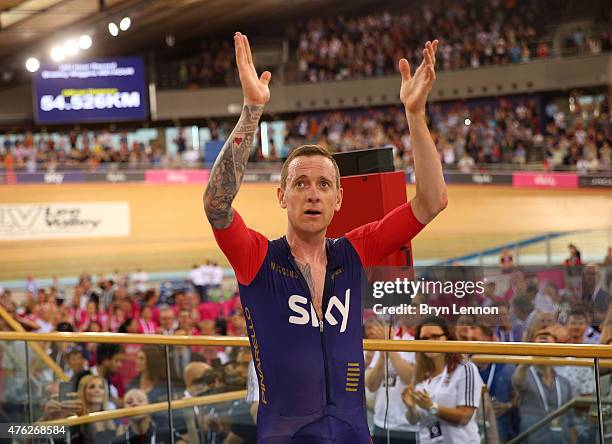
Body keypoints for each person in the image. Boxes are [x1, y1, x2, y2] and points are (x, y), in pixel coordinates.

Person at [204, 32, 446, 443]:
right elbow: (216, 203)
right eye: (300, 184)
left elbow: (432, 201)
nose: (312, 192)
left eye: (322, 184)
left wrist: (416, 115)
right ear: (282, 197)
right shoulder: (257, 258)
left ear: (338, 198)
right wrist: (252, 111)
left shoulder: (355, 250)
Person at [401, 316, 483, 444]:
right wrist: (411, 408)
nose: (430, 342)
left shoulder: (465, 368)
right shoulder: (421, 372)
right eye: (424, 339)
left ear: (448, 337)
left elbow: (465, 416)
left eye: (435, 336)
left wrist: (431, 407)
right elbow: (414, 420)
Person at [512, 328, 576, 444]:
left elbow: (570, 421)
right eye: (540, 337)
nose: (544, 338)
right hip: (533, 440)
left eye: (548, 337)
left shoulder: (564, 382)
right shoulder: (525, 375)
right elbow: (517, 381)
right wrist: (531, 355)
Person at [365, 319, 418, 443]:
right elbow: (371, 385)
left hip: (409, 427)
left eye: (413, 305)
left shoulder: (421, 339)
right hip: (381, 423)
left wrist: (389, 346)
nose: (407, 308)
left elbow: (411, 378)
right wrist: (382, 357)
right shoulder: (389, 338)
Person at [73, 374, 117, 443]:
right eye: (92, 387)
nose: (97, 390)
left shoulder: (114, 418)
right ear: (83, 391)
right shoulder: (75, 420)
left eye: (101, 387)